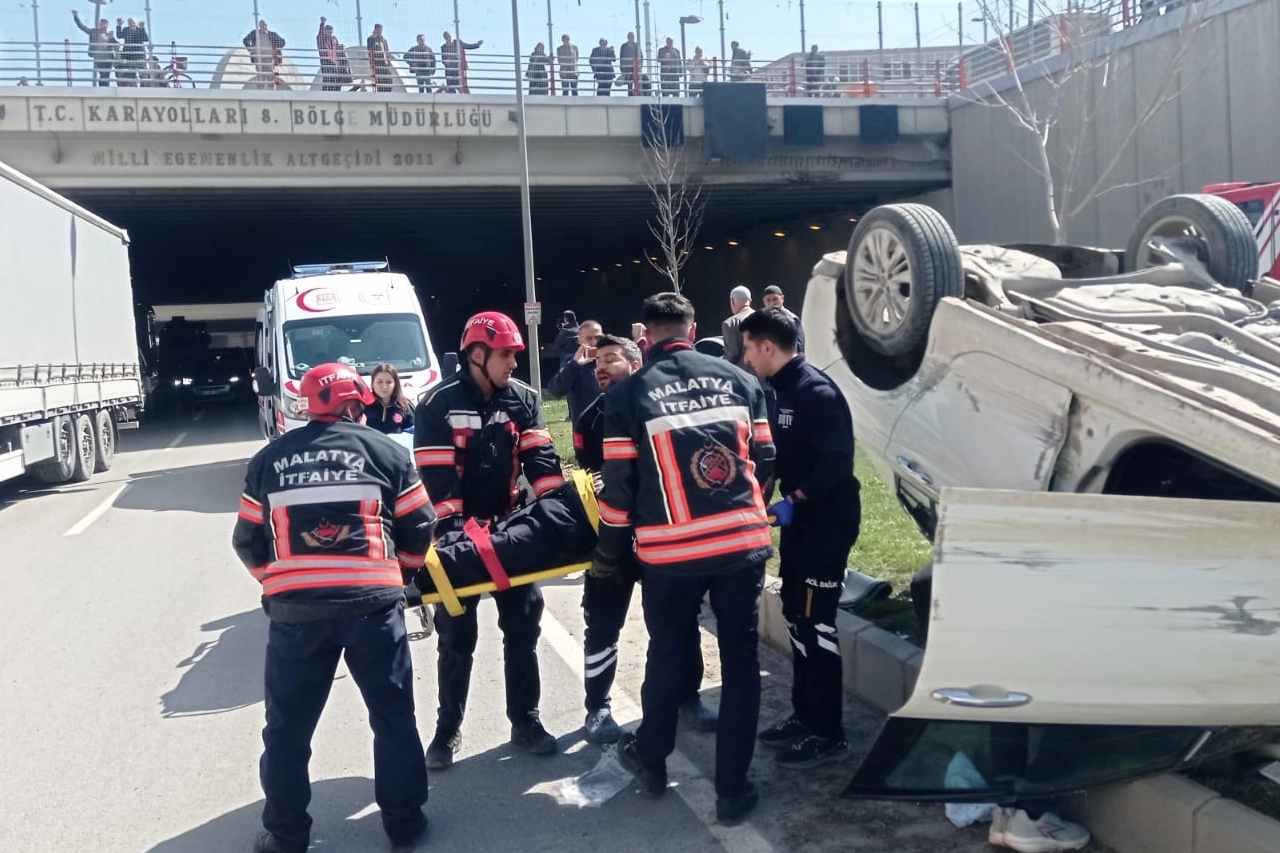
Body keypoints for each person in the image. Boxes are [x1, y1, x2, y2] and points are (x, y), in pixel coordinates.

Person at [231, 362, 435, 853]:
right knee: (393, 718)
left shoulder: (268, 460)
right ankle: (404, 824)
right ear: (354, 404)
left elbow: (246, 541)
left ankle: (286, 835)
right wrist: (401, 576)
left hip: (296, 615)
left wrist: (279, 583)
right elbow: (420, 525)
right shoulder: (386, 451)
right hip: (373, 608)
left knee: (287, 729)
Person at [599, 292, 775, 826]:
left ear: (645, 335)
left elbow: (619, 486)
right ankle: (732, 791)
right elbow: (766, 458)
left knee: (668, 652)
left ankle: (652, 760)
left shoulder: (628, 394)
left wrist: (610, 552)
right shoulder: (742, 380)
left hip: (670, 552)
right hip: (740, 544)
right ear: (693, 329)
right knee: (741, 661)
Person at [413, 311, 563, 770]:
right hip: (457, 537)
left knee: (523, 627)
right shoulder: (436, 404)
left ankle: (526, 720)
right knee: (457, 637)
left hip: (511, 529)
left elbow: (543, 464)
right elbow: (439, 485)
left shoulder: (524, 399)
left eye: (515, 355)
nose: (514, 363)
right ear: (477, 354)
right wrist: (462, 544)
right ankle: (447, 730)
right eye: (506, 355)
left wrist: (556, 518)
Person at [575, 334, 717, 744]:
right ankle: (597, 708)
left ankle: (688, 697)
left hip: (665, 536)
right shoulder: (588, 421)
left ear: (635, 365)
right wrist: (608, 545)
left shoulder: (663, 406)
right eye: (597, 361)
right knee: (602, 623)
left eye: (611, 358)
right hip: (612, 540)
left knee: (679, 620)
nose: (601, 367)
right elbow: (593, 481)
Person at [739, 307, 859, 769]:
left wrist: (797, 498)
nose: (747, 358)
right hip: (801, 524)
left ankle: (829, 733)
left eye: (749, 349)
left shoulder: (815, 392)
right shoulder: (779, 390)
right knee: (795, 617)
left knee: (816, 625)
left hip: (826, 524)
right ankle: (805, 716)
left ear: (768, 346)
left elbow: (838, 463)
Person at [546, 319, 602, 430]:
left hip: (611, 427)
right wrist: (574, 364)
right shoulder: (572, 361)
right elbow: (556, 390)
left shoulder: (611, 360)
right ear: (579, 340)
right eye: (589, 338)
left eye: (598, 338)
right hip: (585, 428)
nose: (594, 342)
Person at [364, 363, 415, 435]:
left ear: (395, 384)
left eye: (389, 382)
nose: (384, 386)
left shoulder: (404, 405)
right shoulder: (363, 405)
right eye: (380, 382)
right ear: (372, 383)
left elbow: (414, 432)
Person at [72, 10, 118, 87]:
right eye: (102, 24)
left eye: (105, 24)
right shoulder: (94, 32)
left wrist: (118, 47)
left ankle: (105, 88)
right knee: (103, 74)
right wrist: (76, 17)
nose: (103, 26)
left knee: (106, 74)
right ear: (99, 25)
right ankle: (103, 88)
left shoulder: (109, 35)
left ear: (107, 25)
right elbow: (82, 27)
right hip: (99, 58)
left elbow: (116, 45)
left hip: (108, 58)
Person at [762, 284, 805, 354]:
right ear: (764, 301)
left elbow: (799, 346)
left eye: (775, 299)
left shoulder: (792, 319)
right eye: (768, 300)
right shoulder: (760, 320)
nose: (772, 303)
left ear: (782, 298)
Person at [721, 284, 754, 369]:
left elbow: (731, 356)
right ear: (750, 301)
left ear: (732, 301)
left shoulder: (730, 323)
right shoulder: (765, 318)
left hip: (741, 375)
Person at [244, 21, 285, 87]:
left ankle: (271, 89)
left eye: (265, 25)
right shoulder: (254, 33)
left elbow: (283, 42)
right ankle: (260, 89)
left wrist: (276, 49)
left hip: (269, 58)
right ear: (259, 26)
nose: (264, 26)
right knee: (260, 74)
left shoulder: (272, 34)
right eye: (262, 25)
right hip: (259, 58)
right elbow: (245, 40)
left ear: (267, 25)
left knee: (270, 74)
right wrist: (251, 49)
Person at [316, 18, 350, 92]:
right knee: (328, 80)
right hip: (327, 61)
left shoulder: (334, 39)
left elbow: (337, 47)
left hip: (336, 63)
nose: (329, 34)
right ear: (325, 31)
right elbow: (320, 35)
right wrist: (322, 24)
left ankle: (336, 93)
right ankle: (326, 94)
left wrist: (341, 48)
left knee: (338, 80)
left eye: (331, 32)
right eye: (328, 32)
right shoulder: (322, 40)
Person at [115, 17, 148, 87]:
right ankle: (133, 86)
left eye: (133, 22)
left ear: (136, 23)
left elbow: (146, 38)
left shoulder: (139, 30)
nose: (131, 23)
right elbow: (119, 36)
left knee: (142, 72)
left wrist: (142, 28)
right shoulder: (125, 30)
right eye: (130, 22)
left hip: (139, 55)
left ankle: (144, 86)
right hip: (129, 55)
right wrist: (119, 26)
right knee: (131, 72)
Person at [367, 24, 393, 92]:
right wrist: (374, 38)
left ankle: (387, 93)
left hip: (385, 64)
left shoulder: (383, 40)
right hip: (377, 64)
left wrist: (389, 59)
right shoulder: (370, 39)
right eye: (379, 30)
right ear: (375, 30)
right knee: (380, 81)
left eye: (381, 31)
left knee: (389, 80)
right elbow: (370, 48)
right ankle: (381, 93)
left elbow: (386, 51)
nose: (380, 32)